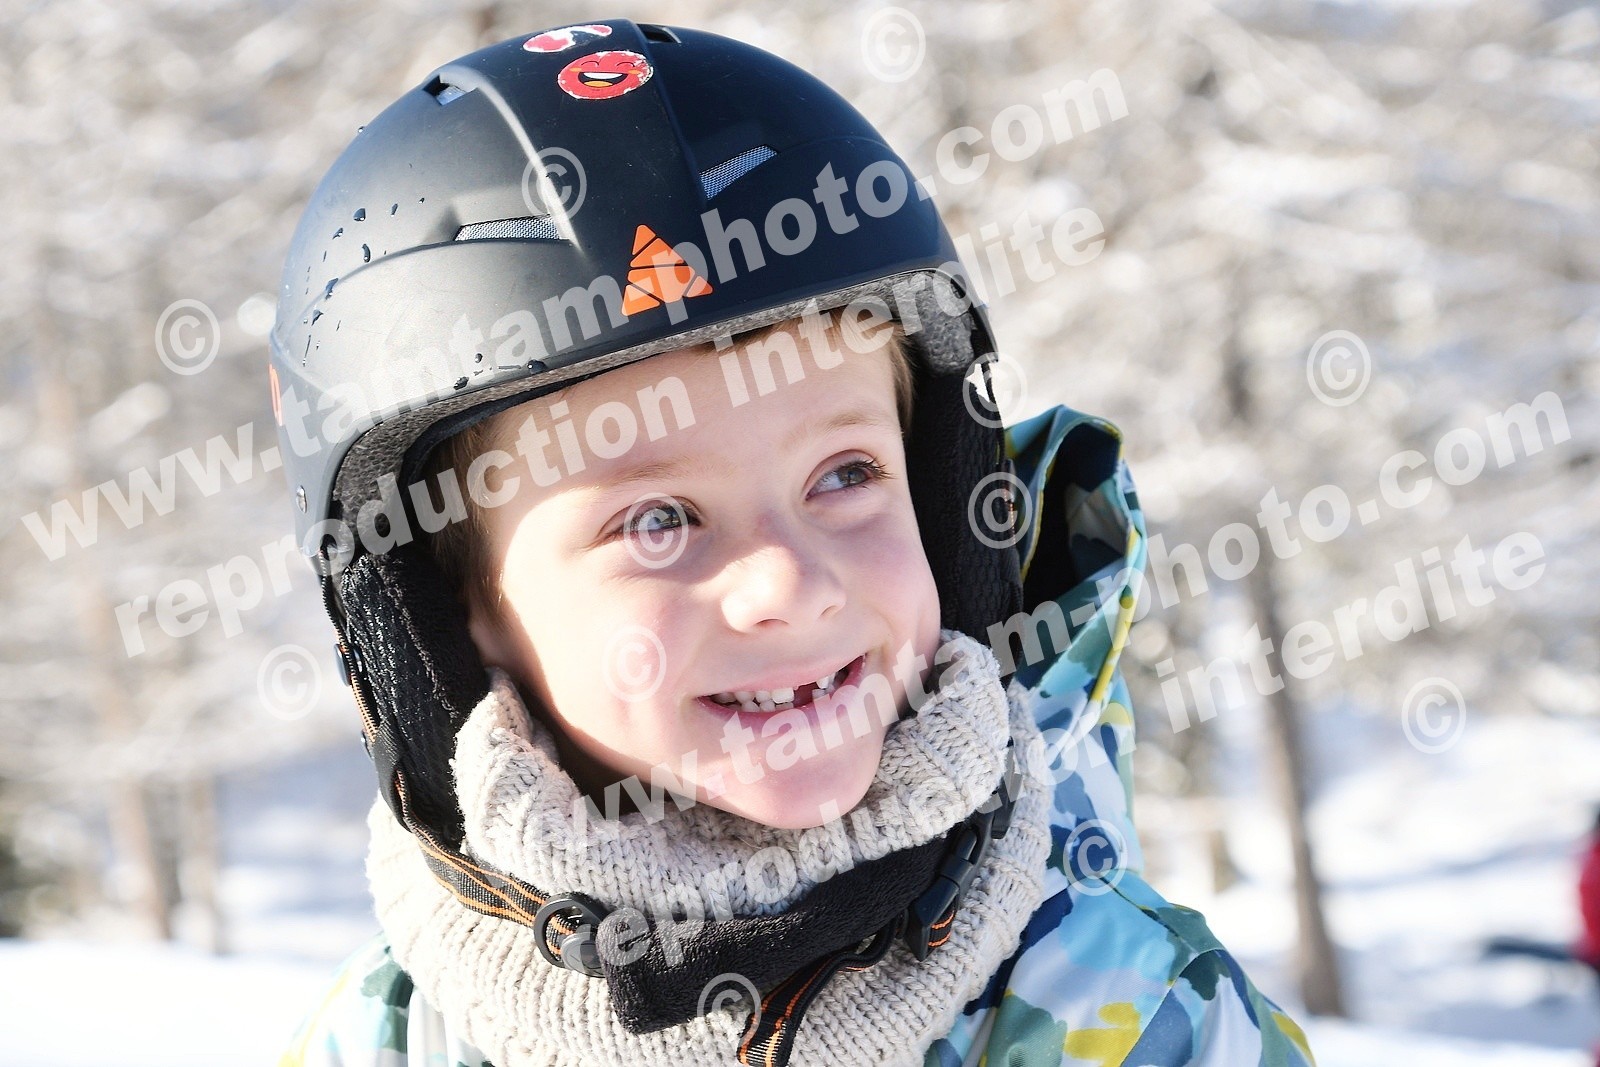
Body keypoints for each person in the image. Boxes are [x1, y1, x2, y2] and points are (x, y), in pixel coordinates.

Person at [268, 18, 1316, 1067]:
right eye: (659, 519)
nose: (789, 581)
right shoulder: (388, 1040)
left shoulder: (1141, 1017)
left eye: (845, 474)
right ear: (453, 614)